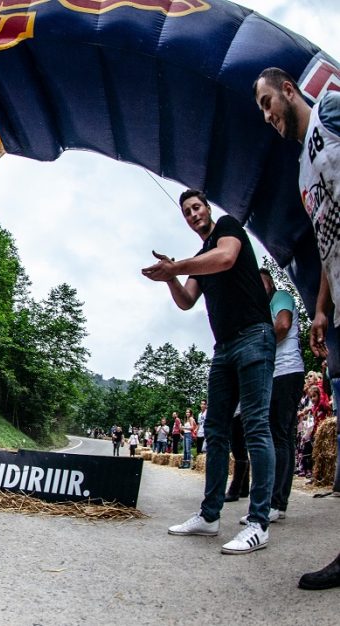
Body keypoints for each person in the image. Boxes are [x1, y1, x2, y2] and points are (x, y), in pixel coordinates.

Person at [143, 188, 275, 555]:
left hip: (254, 336)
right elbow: (186, 301)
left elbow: (227, 258)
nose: (192, 214)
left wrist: (177, 266)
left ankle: (258, 522)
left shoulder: (228, 229)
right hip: (224, 348)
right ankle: (210, 515)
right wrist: (170, 276)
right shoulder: (200, 257)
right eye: (186, 212)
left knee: (256, 426)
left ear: (208, 209)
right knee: (215, 431)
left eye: (196, 207)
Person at [255, 66, 340, 589]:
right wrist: (324, 307)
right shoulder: (303, 171)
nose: (267, 115)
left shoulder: (330, 115)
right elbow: (331, 243)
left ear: (289, 90)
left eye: (268, 101)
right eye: (261, 110)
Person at [238, 268, 305, 524]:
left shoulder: (280, 297)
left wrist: (256, 344)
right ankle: (277, 502)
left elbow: (284, 325)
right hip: (275, 373)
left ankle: (275, 502)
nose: (258, 286)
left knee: (277, 436)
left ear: (270, 282)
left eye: (262, 281)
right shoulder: (260, 309)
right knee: (281, 436)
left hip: (286, 372)